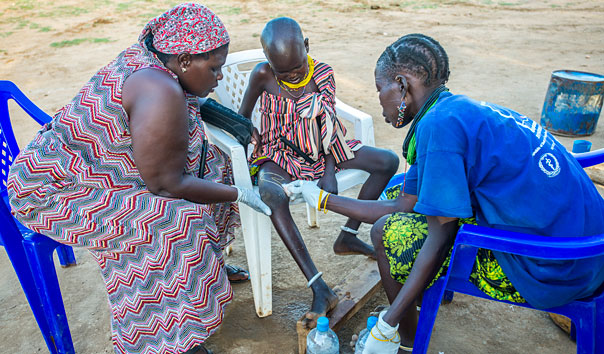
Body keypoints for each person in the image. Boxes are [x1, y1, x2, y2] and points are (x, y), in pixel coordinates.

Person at [285, 33, 604, 353]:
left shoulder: (439, 127)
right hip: (584, 242)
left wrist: (387, 323)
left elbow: (440, 233)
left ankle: (403, 338)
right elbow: (405, 201)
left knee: (389, 232)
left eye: (379, 87)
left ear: (401, 85)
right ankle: (416, 300)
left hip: (558, 267)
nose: (379, 98)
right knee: (398, 188)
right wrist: (323, 199)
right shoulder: (452, 110)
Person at [7, 4, 271, 354]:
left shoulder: (155, 56)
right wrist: (239, 193)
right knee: (169, 222)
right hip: (51, 191)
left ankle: (207, 264)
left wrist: (224, 176)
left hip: (93, 168)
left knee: (213, 164)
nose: (219, 78)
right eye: (215, 68)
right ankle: (169, 338)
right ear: (185, 60)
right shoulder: (160, 90)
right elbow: (165, 184)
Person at [237, 17, 400, 326]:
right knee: (271, 193)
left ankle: (348, 235)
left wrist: (328, 171)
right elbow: (243, 116)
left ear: (307, 47)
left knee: (387, 161)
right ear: (268, 62)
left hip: (324, 149)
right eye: (282, 72)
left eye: (297, 68)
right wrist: (249, 133)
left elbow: (327, 125)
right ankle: (318, 286)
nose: (291, 76)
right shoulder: (262, 76)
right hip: (279, 153)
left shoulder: (322, 73)